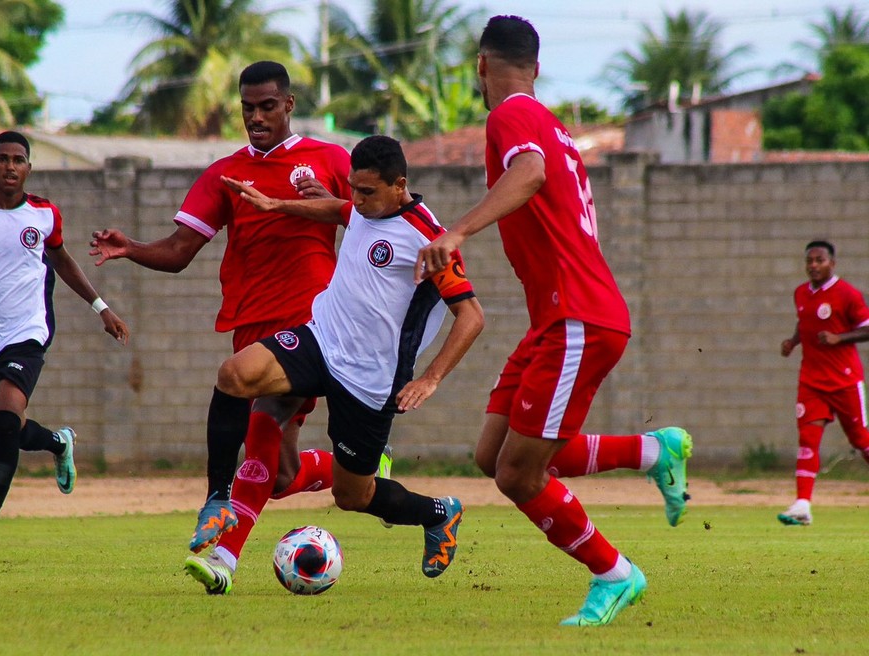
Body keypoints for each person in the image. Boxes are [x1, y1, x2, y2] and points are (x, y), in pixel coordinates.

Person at [414, 15, 693, 627]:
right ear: (536, 67)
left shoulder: (510, 114)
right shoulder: (555, 126)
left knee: (519, 473)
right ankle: (653, 451)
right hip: (559, 321)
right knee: (494, 456)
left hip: (578, 319)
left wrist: (456, 229)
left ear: (481, 65)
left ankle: (614, 573)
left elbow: (530, 173)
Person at [182, 134, 483, 594]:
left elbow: (472, 315)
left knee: (353, 496)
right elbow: (337, 210)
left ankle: (438, 513)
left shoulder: (429, 237)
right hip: (319, 339)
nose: (356, 201)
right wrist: (275, 204)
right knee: (235, 375)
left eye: (366, 192)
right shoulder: (363, 207)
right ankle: (218, 498)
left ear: (399, 184)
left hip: (370, 379)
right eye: (353, 188)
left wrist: (431, 378)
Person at [89, 61, 358, 569]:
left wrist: (340, 210)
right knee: (278, 474)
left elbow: (375, 218)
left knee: (254, 420)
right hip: (251, 326)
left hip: (312, 325)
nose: (255, 117)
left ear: (289, 105)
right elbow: (179, 251)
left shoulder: (328, 160)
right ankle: (355, 471)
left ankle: (222, 549)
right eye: (247, 108)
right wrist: (132, 249)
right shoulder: (224, 174)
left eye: (267, 106)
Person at [0, 131, 130, 555]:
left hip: (27, 334)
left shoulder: (45, 214)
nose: (10, 166)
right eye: (3, 159)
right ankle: (58, 442)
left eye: (18, 160)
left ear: (28, 168)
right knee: (9, 429)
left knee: (7, 425)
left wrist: (101, 307)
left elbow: (63, 260)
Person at [778, 240, 869, 526]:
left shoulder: (847, 294)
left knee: (861, 441)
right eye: (809, 261)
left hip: (844, 381)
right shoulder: (801, 293)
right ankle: (802, 505)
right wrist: (794, 341)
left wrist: (839, 338)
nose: (813, 266)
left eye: (819, 260)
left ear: (832, 263)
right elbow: (804, 321)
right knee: (807, 441)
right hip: (811, 382)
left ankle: (803, 504)